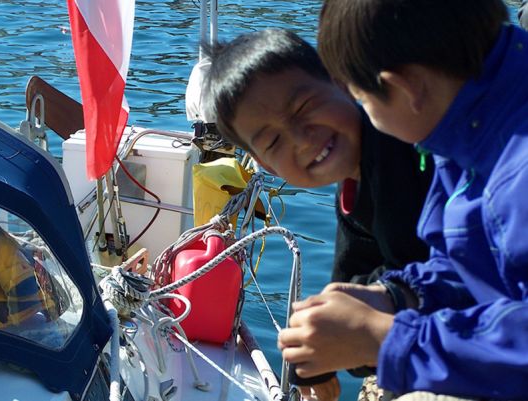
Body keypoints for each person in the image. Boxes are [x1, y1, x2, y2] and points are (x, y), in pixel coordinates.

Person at [277, 0, 528, 399]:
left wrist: (381, 339)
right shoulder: (472, 120)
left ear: (404, 88)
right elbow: (474, 265)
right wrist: (397, 297)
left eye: (363, 99)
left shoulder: (516, 175)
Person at [202, 28, 432, 400]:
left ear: (341, 83)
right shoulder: (356, 186)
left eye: (304, 106)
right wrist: (312, 356)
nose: (301, 138)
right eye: (274, 141)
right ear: (266, 164)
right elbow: (351, 277)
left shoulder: (406, 152)